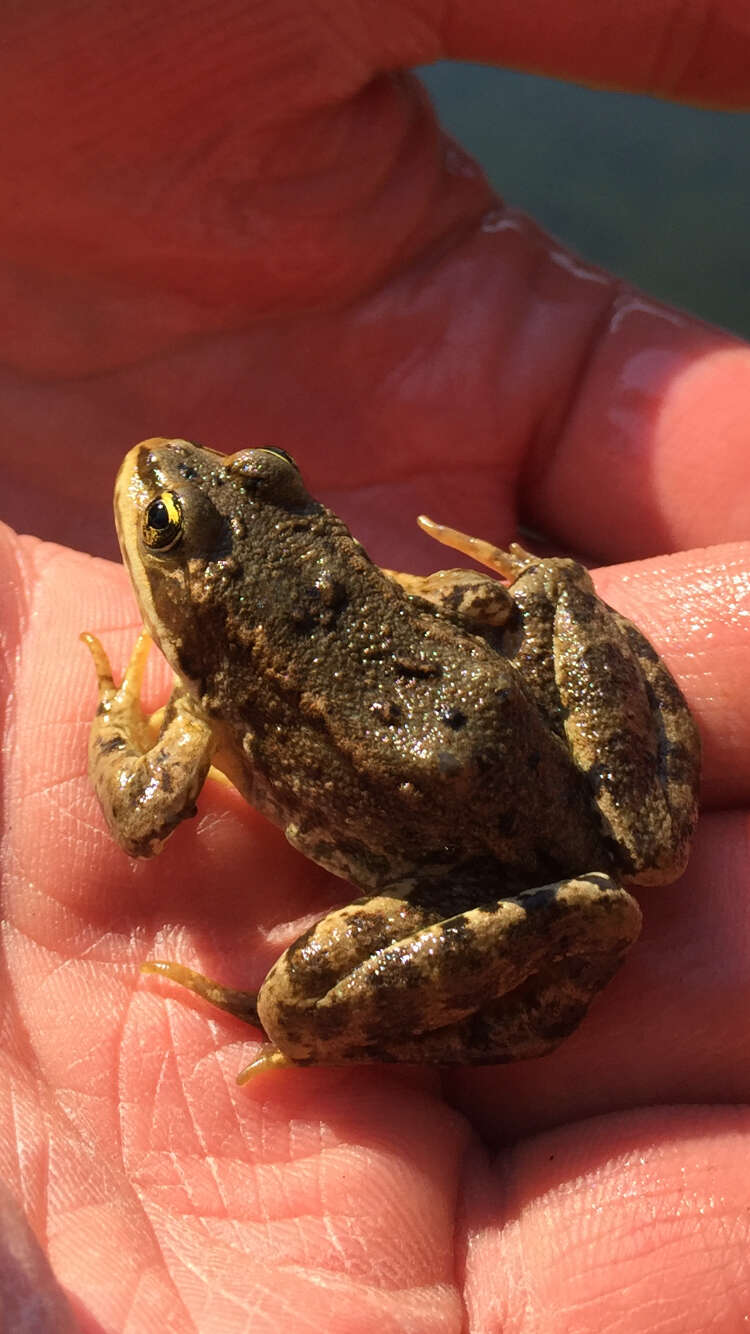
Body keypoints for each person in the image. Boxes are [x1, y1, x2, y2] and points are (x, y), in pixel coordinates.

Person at [1, 3, 749, 1328]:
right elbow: (465, 615)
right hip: (563, 791)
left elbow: (138, 811)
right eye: (184, 523)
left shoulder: (214, 693)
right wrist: (520, 603)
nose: (169, 475)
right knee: (549, 599)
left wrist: (129, 719)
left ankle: (303, 1014)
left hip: (465, 857)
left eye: (230, 495)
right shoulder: (299, 634)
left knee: (297, 990)